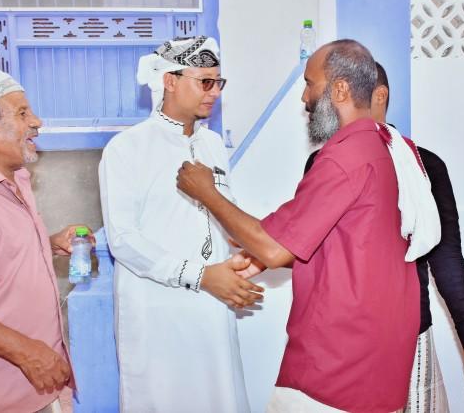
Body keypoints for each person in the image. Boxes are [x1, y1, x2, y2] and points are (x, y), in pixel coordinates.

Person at [177, 39, 441, 413]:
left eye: (309, 84)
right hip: (377, 366)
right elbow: (347, 245)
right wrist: (263, 254)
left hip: (336, 368)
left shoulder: (345, 156)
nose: (304, 98)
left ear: (340, 89)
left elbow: (274, 246)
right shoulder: (388, 148)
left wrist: (207, 192)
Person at [305, 62, 464, 412]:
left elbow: (446, 257)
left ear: (380, 96)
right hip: (341, 339)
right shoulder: (323, 163)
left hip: (409, 337)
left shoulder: (425, 165)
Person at [98, 36, 261, 413]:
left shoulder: (213, 144)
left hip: (212, 307)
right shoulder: (126, 148)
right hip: (160, 313)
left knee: (219, 397)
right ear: (169, 80)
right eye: (205, 82)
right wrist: (201, 276)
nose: (215, 92)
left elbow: (221, 215)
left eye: (219, 82)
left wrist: (239, 254)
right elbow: (123, 240)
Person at [0, 64, 91, 412]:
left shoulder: (16, 178)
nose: (37, 122)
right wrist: (27, 352)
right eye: (22, 113)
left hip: (39, 386)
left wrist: (49, 244)